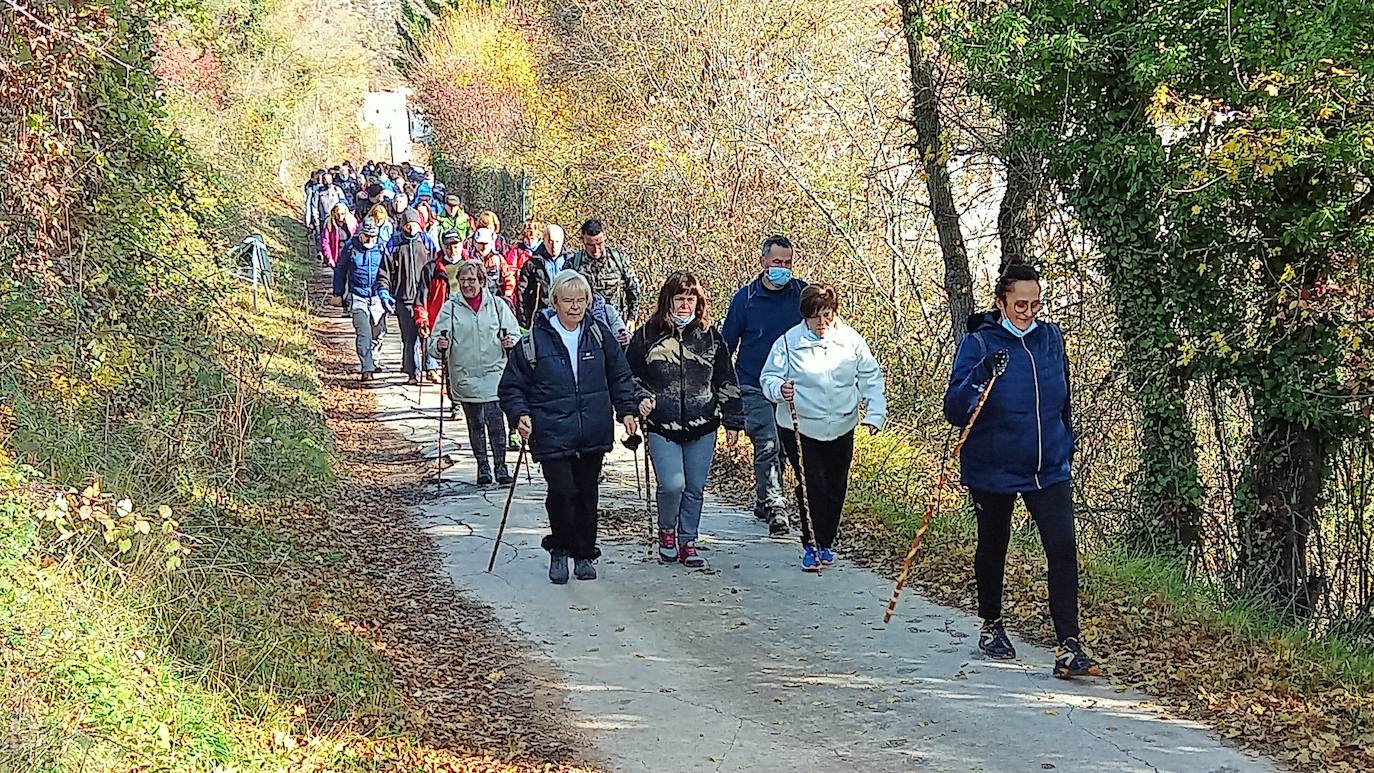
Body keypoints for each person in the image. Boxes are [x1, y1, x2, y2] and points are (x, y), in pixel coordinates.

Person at [942, 262, 1100, 679]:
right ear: (1001, 302)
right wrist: (981, 374)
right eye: (1019, 305)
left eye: (1034, 304)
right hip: (993, 466)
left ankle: (1069, 645)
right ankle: (991, 625)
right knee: (994, 546)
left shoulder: (1050, 339)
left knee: (1063, 548)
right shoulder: (979, 343)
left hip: (1048, 466)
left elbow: (1063, 396)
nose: (1028, 312)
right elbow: (954, 409)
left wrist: (1066, 440)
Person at [499, 270, 649, 584]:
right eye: (568, 301)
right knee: (562, 491)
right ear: (554, 301)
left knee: (587, 494)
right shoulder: (534, 341)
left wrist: (627, 411)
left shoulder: (598, 334)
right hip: (551, 430)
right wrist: (520, 415)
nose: (575, 307)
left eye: (581, 301)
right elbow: (511, 387)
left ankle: (584, 553)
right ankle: (560, 548)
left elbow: (620, 376)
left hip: (592, 429)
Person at [761, 284, 886, 571]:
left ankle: (826, 541)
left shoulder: (851, 340)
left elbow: (871, 377)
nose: (821, 323)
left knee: (836, 485)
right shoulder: (788, 343)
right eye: (815, 317)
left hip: (842, 424)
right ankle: (812, 544)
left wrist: (875, 414)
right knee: (812, 484)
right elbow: (768, 378)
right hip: (800, 427)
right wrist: (781, 389)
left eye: (827, 315)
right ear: (805, 316)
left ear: (835, 313)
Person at [627, 272, 744, 568]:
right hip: (661, 424)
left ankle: (688, 540)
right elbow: (628, 376)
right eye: (679, 298)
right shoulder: (646, 335)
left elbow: (725, 378)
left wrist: (732, 420)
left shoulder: (710, 336)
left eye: (690, 299)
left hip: (702, 423)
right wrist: (638, 400)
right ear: (667, 300)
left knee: (694, 487)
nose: (684, 305)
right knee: (672, 485)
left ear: (699, 302)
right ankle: (667, 531)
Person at [721, 234, 807, 535]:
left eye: (787, 263)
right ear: (763, 263)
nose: (782, 268)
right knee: (767, 441)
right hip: (752, 385)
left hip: (791, 388)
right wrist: (725, 396)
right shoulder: (745, 300)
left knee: (784, 447)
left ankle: (763, 498)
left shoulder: (802, 295)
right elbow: (725, 348)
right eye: (776, 263)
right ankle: (775, 505)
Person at [431, 260, 522, 485]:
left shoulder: (498, 306)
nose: (467, 285)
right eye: (462, 280)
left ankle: (501, 466)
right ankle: (483, 467)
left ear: (481, 281)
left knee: (495, 419)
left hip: (494, 371)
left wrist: (510, 341)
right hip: (465, 372)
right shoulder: (450, 307)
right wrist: (440, 345)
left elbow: (516, 335)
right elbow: (434, 343)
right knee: (475, 423)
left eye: (471, 280)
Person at [384, 208, 442, 385]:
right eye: (408, 224)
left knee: (427, 333)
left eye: (414, 224)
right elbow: (385, 270)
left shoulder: (427, 242)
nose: (411, 227)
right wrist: (385, 291)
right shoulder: (393, 243)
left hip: (425, 296)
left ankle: (431, 368)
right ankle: (412, 371)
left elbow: (436, 265)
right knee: (410, 337)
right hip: (404, 297)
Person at [332, 222, 392, 382]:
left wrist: (388, 294)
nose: (369, 239)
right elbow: (340, 270)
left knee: (378, 331)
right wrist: (337, 293)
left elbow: (388, 272)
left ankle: (374, 358)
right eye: (367, 236)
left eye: (373, 236)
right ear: (361, 233)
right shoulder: (351, 246)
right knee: (363, 331)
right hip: (357, 294)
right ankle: (367, 367)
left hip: (377, 295)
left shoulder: (382, 248)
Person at [567, 218, 641, 323]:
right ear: (583, 240)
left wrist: (632, 319)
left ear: (604, 237)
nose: (596, 250)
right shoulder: (573, 264)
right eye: (591, 245)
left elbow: (633, 288)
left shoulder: (618, 259)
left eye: (599, 243)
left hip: (616, 322)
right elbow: (563, 296)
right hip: (585, 324)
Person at [516, 223, 569, 328]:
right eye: (550, 241)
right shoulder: (533, 263)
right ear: (543, 241)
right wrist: (524, 320)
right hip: (542, 317)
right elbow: (523, 293)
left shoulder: (571, 262)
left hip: (566, 315)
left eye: (557, 241)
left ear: (563, 241)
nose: (554, 246)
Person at [465, 227, 516, 304]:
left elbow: (509, 278)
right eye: (481, 243)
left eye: (486, 243)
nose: (484, 247)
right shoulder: (468, 260)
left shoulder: (498, 260)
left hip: (495, 302)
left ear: (492, 243)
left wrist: (507, 296)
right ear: (475, 243)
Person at [320, 202, 357, 269]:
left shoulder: (352, 223)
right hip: (336, 256)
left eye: (342, 214)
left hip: (349, 255)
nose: (340, 216)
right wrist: (329, 258)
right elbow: (325, 242)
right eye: (338, 214)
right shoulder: (329, 224)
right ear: (334, 213)